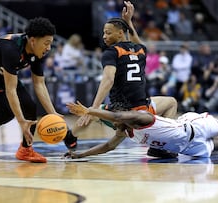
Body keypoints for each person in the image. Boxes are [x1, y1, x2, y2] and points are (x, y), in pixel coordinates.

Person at [0, 17, 75, 163]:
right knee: (7, 111)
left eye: (50, 44)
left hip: (0, 73)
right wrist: (21, 121)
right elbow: (11, 90)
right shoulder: (11, 48)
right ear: (33, 40)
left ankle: (26, 149)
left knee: (30, 106)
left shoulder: (37, 53)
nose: (48, 48)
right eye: (46, 43)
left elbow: (39, 84)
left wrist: (53, 113)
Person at [71, 1, 178, 156]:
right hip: (143, 109)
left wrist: (93, 109)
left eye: (108, 32)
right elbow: (136, 41)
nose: (104, 36)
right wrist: (129, 22)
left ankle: (69, 138)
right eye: (104, 32)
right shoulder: (141, 50)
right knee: (171, 102)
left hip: (122, 110)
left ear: (120, 33)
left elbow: (107, 80)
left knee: (92, 115)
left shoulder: (111, 52)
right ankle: (160, 145)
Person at [65, 101, 218, 159]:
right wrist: (81, 154)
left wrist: (89, 111)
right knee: (216, 146)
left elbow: (118, 116)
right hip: (185, 147)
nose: (114, 126)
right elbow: (108, 146)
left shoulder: (141, 118)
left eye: (115, 122)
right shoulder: (123, 132)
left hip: (191, 127)